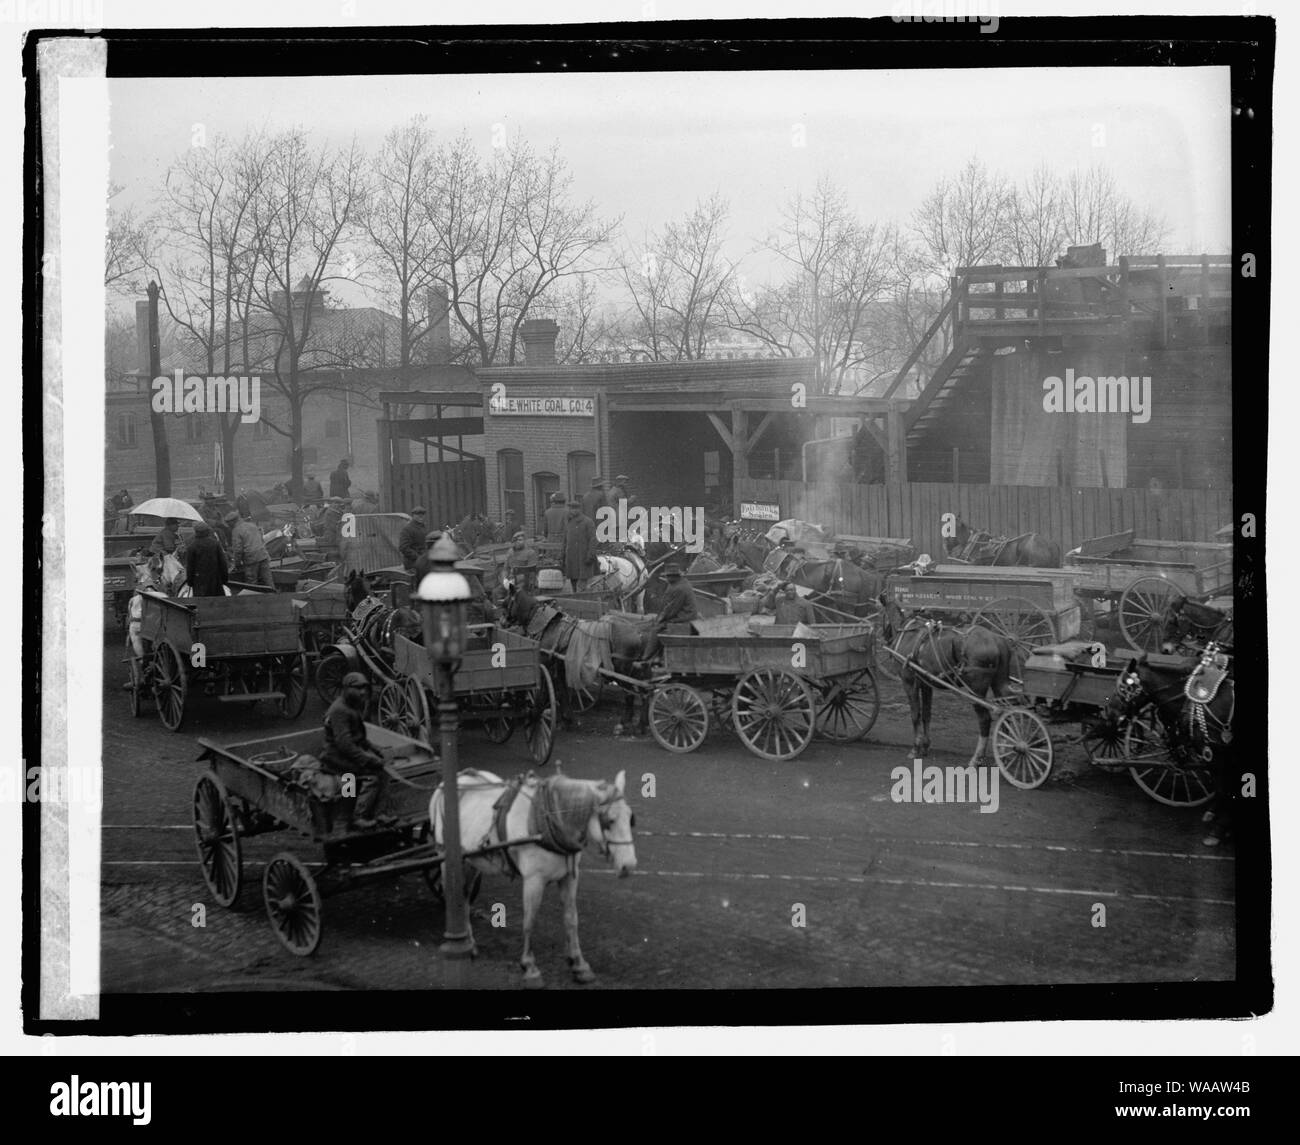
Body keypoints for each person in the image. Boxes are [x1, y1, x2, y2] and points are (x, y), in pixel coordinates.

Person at [321, 673, 395, 830]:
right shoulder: (339, 710)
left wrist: (375, 749)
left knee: (384, 772)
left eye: (364, 688)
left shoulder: (351, 706)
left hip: (345, 754)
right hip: (336, 758)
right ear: (347, 689)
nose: (363, 692)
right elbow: (345, 745)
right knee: (371, 778)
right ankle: (357, 816)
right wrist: (368, 759)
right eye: (358, 688)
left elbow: (358, 737)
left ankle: (380, 813)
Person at [643, 562, 699, 661]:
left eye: (669, 576)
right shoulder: (682, 583)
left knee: (656, 629)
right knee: (657, 624)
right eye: (667, 576)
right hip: (686, 616)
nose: (667, 578)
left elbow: (671, 610)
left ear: (675, 576)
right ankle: (658, 655)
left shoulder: (678, 588)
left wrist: (659, 620)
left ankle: (646, 658)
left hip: (684, 618)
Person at [228, 510, 274, 588]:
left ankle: (254, 598)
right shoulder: (251, 525)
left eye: (228, 523)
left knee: (251, 582)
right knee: (268, 580)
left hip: (251, 558)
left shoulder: (236, 530)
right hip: (263, 554)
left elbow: (238, 550)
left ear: (232, 522)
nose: (228, 525)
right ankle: (274, 596)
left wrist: (237, 564)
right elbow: (261, 539)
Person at [561, 498, 597, 593]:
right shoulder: (568, 522)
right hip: (571, 557)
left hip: (583, 557)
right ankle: (575, 596)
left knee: (583, 584)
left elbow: (593, 540)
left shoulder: (588, 522)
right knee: (573, 580)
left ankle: (583, 601)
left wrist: (590, 555)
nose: (573, 510)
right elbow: (565, 539)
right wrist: (563, 554)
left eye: (575, 508)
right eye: (571, 508)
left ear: (580, 509)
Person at [184, 521, 229, 597]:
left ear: (196, 532)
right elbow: (223, 563)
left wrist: (190, 582)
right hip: (215, 581)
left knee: (202, 605)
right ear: (208, 531)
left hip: (199, 584)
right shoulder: (215, 544)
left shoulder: (192, 547)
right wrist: (224, 579)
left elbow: (190, 567)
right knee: (218, 603)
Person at [398, 507, 429, 572]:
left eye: (422, 515)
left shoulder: (423, 528)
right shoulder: (407, 529)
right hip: (412, 562)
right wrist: (419, 558)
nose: (421, 517)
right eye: (418, 515)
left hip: (423, 560)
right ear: (413, 516)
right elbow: (403, 547)